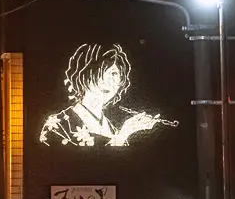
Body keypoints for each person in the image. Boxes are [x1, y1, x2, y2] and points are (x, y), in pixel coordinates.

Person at [39, 43, 174, 147]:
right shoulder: (57, 125)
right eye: (100, 73)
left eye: (114, 74)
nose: (108, 81)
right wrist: (123, 134)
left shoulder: (112, 127)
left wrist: (127, 132)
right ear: (82, 76)